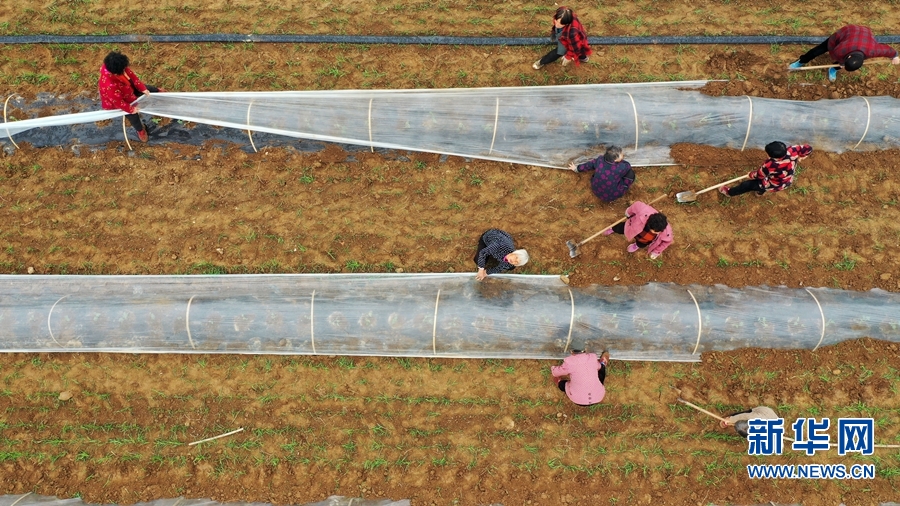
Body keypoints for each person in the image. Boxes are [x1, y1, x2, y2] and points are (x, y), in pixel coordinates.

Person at [788, 25, 900, 82]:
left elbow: (889, 51)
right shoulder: (840, 49)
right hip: (848, 31)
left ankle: (833, 69)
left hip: (865, 35)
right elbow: (832, 50)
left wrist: (895, 56)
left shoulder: (874, 50)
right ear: (849, 56)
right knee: (818, 50)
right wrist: (841, 62)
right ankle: (801, 61)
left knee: (840, 63)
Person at [98, 51, 164, 142]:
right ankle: (140, 130)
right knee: (133, 117)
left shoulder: (120, 67)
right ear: (116, 73)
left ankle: (158, 91)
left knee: (147, 88)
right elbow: (117, 102)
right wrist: (130, 109)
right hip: (122, 100)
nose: (126, 71)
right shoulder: (110, 86)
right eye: (123, 71)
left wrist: (142, 88)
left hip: (127, 87)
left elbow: (133, 77)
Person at [719, 141, 812, 197]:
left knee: (747, 185)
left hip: (774, 183)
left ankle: (729, 193)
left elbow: (759, 175)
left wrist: (750, 174)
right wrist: (802, 156)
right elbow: (808, 148)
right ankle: (760, 192)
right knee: (763, 186)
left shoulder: (771, 165)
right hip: (787, 180)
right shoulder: (792, 150)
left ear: (772, 156)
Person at [603, 201, 672, 260]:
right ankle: (613, 229)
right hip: (632, 228)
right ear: (649, 224)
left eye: (660, 231)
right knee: (620, 228)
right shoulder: (643, 210)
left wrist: (656, 252)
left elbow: (666, 243)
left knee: (641, 244)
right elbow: (636, 205)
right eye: (656, 231)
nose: (659, 233)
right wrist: (628, 213)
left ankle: (636, 245)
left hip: (645, 239)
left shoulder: (667, 232)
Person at [532, 6, 592, 70]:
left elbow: (575, 47)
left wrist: (568, 57)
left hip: (569, 39)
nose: (556, 24)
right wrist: (554, 32)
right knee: (580, 50)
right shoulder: (563, 13)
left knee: (558, 52)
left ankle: (541, 62)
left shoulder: (572, 33)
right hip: (568, 35)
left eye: (560, 24)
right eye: (556, 21)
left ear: (566, 24)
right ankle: (583, 58)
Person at [568, 145, 635, 202]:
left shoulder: (599, 160)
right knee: (630, 174)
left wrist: (576, 169)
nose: (622, 155)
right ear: (615, 160)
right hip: (612, 195)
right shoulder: (621, 167)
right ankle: (624, 186)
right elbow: (628, 165)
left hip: (596, 190)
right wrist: (621, 161)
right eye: (621, 155)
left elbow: (587, 165)